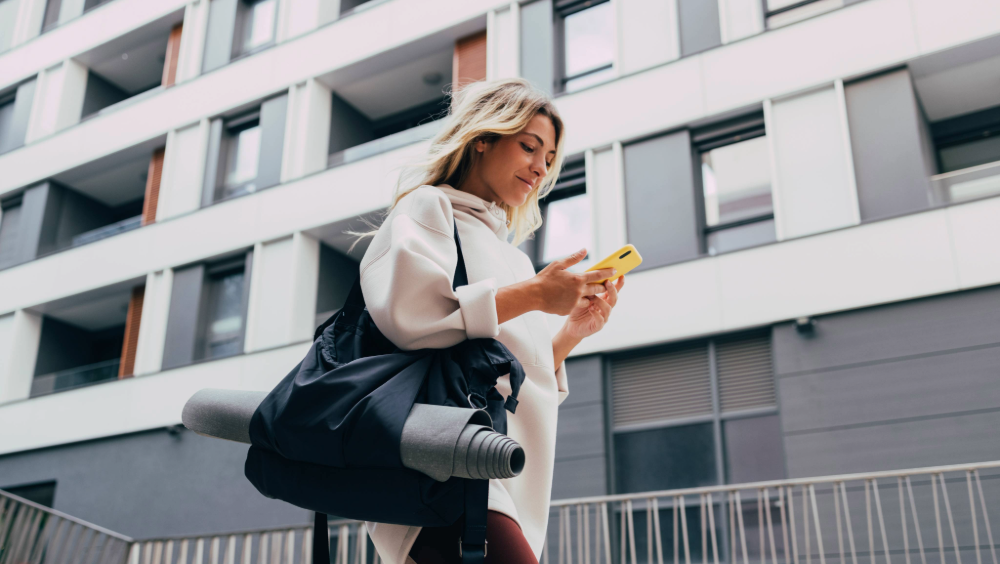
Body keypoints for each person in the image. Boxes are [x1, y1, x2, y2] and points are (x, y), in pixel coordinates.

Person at [352, 78, 626, 564]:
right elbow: (412, 317)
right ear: (483, 137)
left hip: (500, 471)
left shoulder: (511, 258)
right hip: (446, 465)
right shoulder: (427, 207)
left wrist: (569, 334)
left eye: (549, 158)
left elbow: (511, 378)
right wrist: (539, 294)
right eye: (529, 147)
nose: (540, 168)